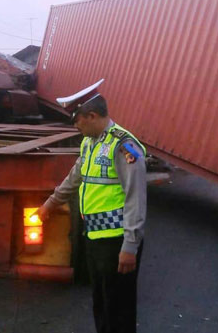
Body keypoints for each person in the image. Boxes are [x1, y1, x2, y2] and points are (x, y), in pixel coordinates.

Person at [36, 79, 147, 333]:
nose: (75, 126)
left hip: (117, 242)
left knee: (119, 308)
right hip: (94, 239)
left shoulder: (124, 146)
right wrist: (50, 204)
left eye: (77, 120)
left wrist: (130, 245)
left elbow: (136, 198)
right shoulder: (89, 143)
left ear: (92, 115)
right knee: (101, 303)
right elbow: (75, 178)